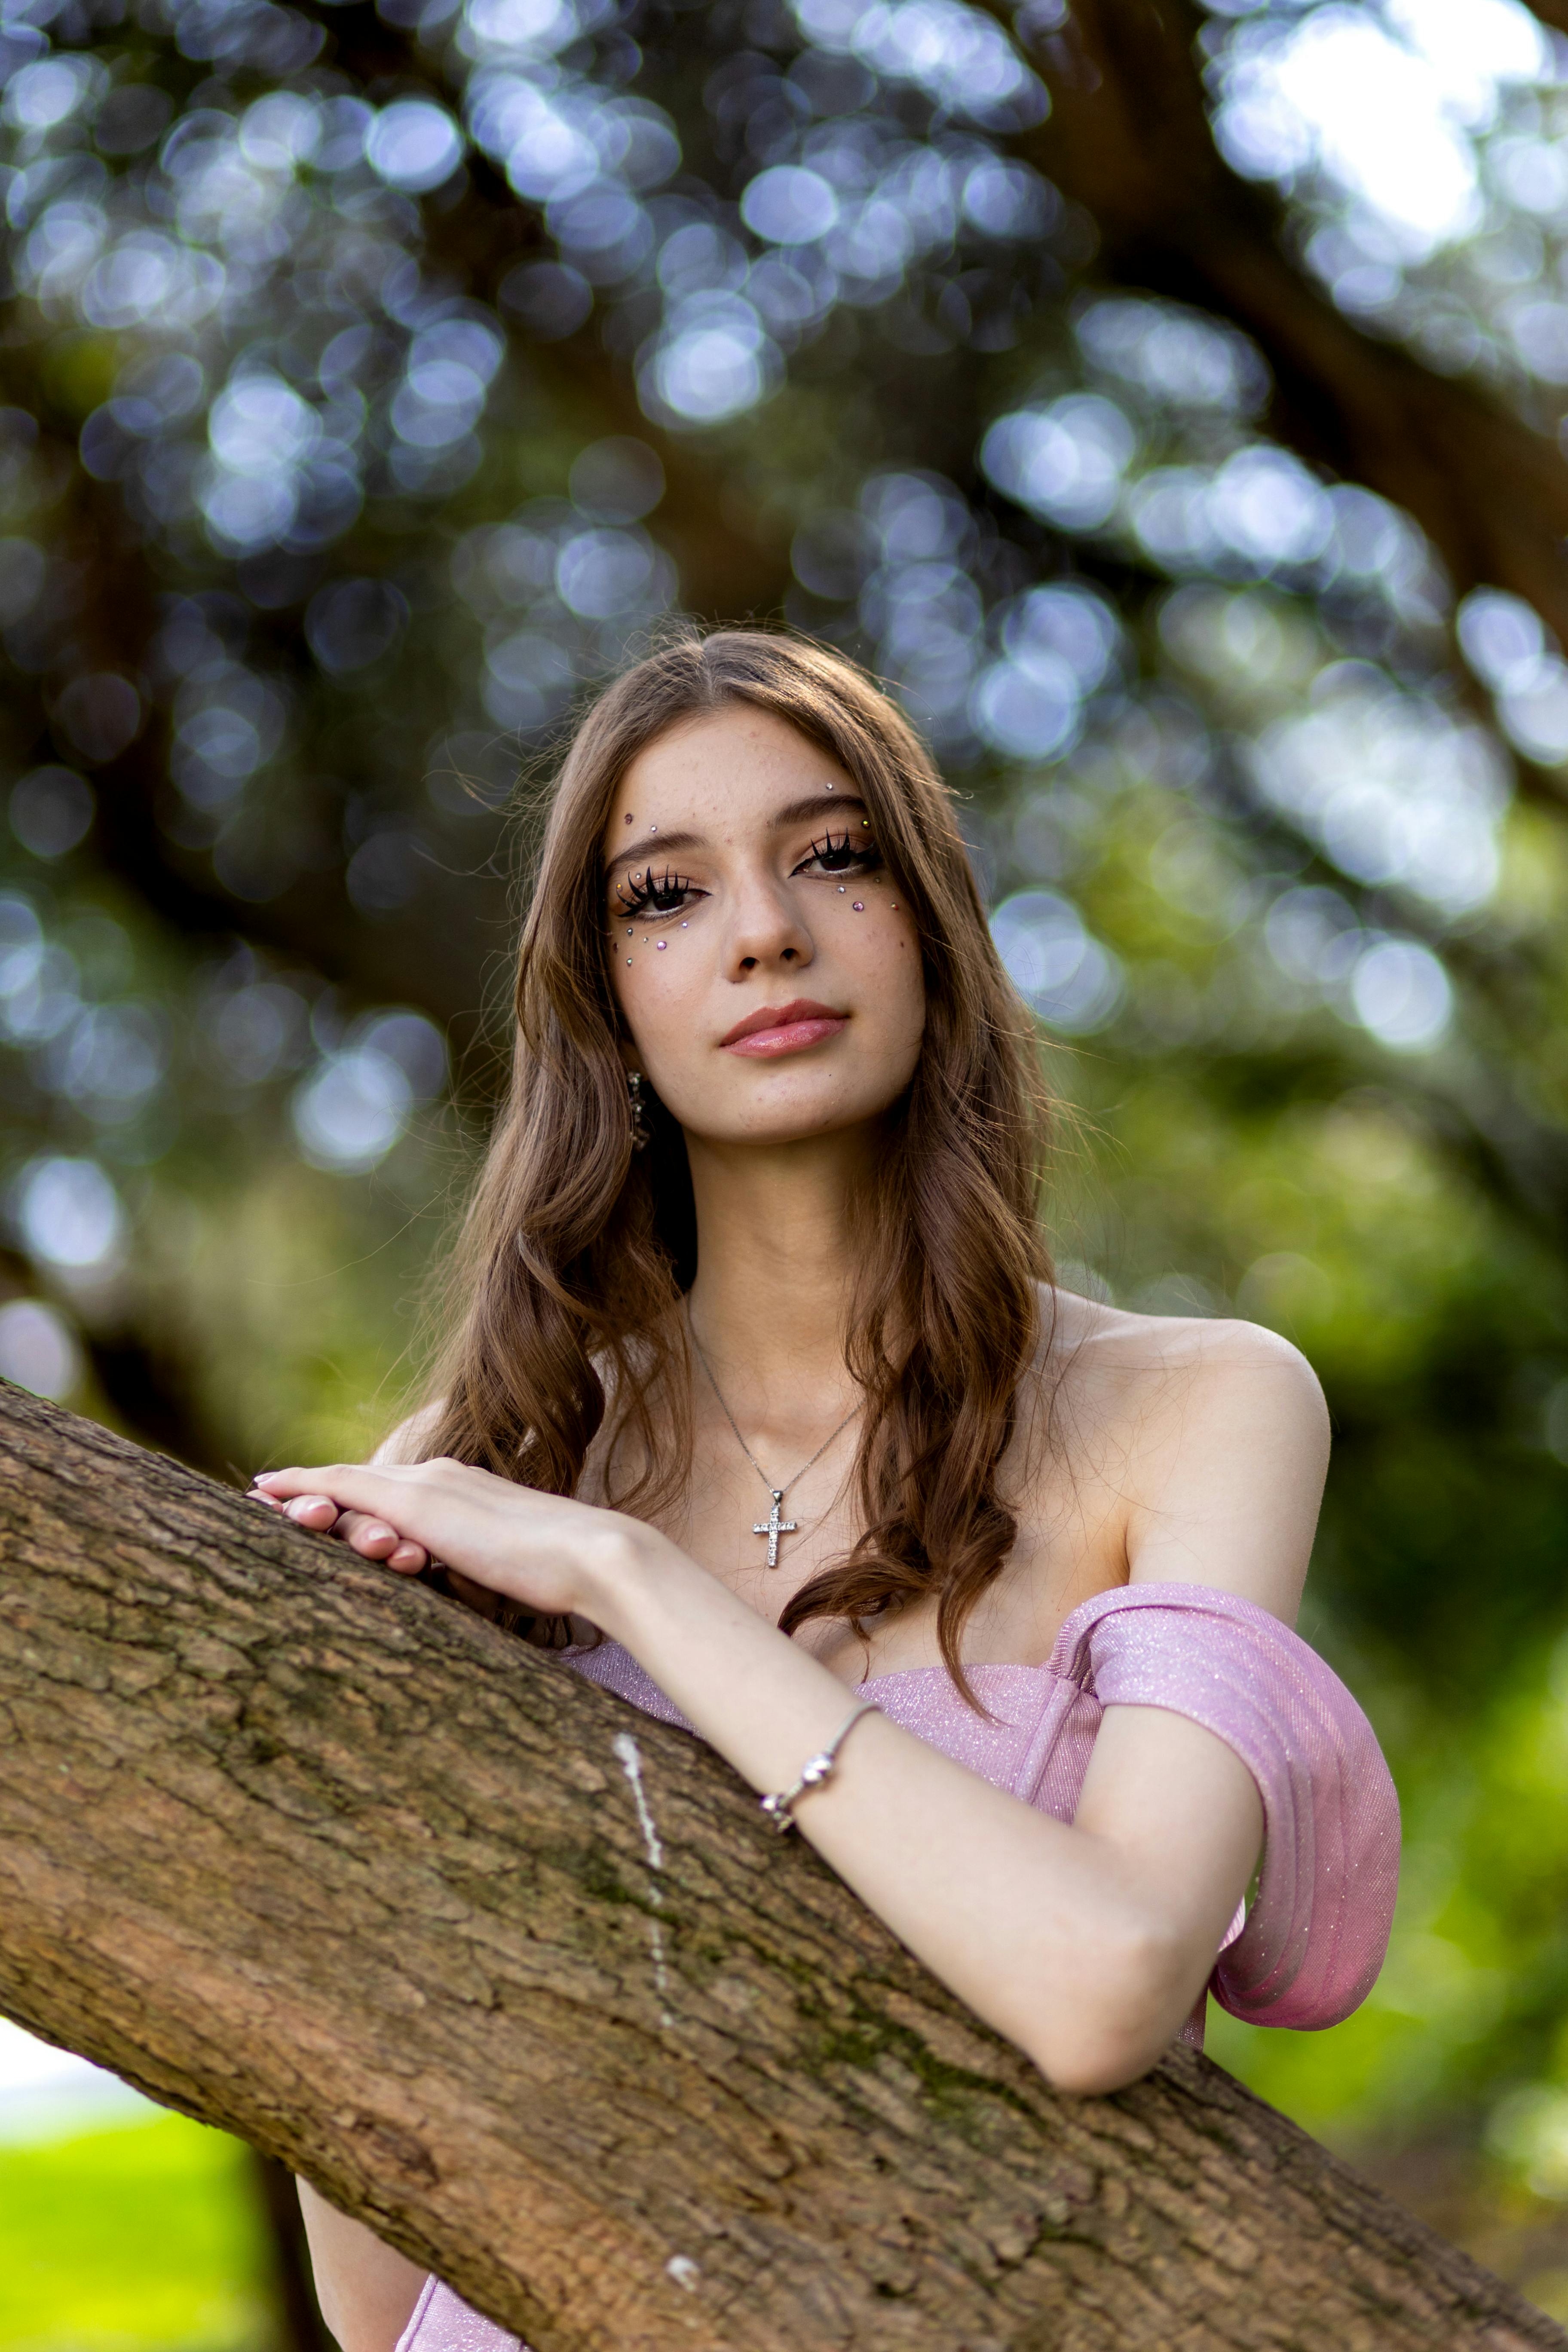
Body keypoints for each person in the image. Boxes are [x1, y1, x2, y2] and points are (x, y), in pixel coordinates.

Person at [247, 629, 1399, 2352]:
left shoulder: (1203, 1407)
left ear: (930, 924)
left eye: (833, 857)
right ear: (608, 1001)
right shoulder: (489, 1472)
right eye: (666, 894)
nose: (765, 929)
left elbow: (1106, 1988)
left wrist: (639, 1588)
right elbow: (387, 2296)